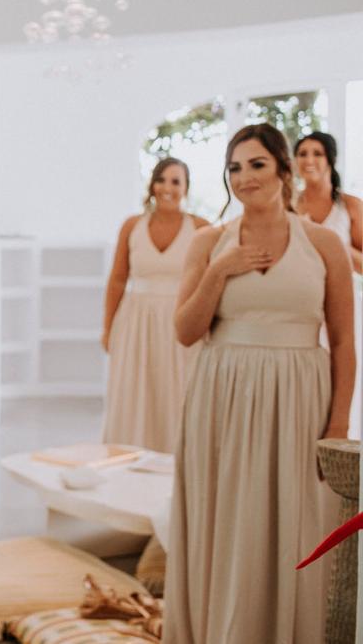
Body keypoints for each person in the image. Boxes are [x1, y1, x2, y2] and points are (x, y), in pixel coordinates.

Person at [164, 123, 354, 644]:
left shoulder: (324, 243)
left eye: (257, 164)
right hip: (221, 398)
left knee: (295, 519)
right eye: (233, 167)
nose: (244, 177)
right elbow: (184, 331)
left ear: (284, 171)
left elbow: (342, 342)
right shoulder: (208, 242)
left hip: (300, 400)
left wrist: (337, 426)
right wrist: (219, 271)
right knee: (225, 523)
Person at [99, 157, 209, 453]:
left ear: (186, 188)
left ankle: (176, 466)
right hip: (135, 320)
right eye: (162, 179)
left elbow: (211, 284)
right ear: (152, 184)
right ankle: (127, 460)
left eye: (176, 181)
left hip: (179, 321)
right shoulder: (132, 225)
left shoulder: (201, 228)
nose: (167, 188)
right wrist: (107, 329)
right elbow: (117, 280)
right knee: (134, 392)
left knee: (177, 392)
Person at [294, 131, 363, 273]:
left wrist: (336, 245)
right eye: (302, 154)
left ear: (331, 159)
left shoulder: (351, 205)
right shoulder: (288, 205)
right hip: (297, 292)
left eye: (318, 153)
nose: (309, 160)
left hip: (343, 293)